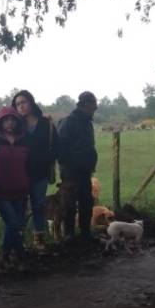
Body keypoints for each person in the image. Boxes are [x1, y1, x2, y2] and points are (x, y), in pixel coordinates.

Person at [13, 90, 58, 251]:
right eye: (18, 104)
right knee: (20, 207)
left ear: (31, 103)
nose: (21, 106)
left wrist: (47, 158)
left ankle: (39, 238)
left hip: (40, 173)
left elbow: (56, 145)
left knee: (38, 205)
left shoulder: (46, 123)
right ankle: (19, 241)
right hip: (21, 173)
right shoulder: (16, 126)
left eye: (23, 102)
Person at [0, 106, 31, 268]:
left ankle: (4, 256)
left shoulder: (25, 140)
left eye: (13, 120)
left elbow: (30, 165)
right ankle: (22, 256)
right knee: (14, 224)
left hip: (21, 190)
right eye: (6, 120)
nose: (10, 123)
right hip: (0, 191)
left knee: (12, 225)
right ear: (0, 122)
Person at [56, 91, 99, 241]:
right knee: (69, 204)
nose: (95, 107)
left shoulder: (87, 123)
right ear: (85, 104)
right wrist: (68, 166)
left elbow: (88, 146)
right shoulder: (68, 121)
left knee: (87, 202)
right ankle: (69, 234)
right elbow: (60, 146)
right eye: (93, 104)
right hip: (70, 171)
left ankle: (85, 233)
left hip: (85, 171)